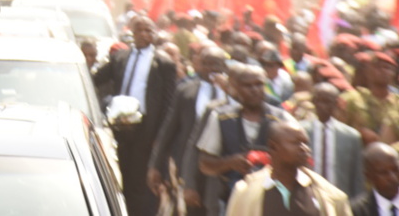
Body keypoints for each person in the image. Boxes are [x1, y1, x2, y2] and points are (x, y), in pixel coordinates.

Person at [93, 16, 177, 215]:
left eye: (149, 30)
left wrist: (160, 136)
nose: (145, 34)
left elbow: (169, 103)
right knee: (121, 173)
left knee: (140, 178)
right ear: (132, 32)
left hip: (146, 127)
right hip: (121, 125)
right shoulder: (120, 57)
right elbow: (96, 79)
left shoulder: (163, 62)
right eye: (140, 30)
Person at [147, 46, 228, 216]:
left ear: (224, 65)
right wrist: (155, 165)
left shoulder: (233, 92)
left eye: (216, 64)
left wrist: (228, 89)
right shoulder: (186, 91)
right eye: (206, 63)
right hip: (190, 165)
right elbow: (169, 130)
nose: (211, 68)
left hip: (222, 166)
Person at [197, 65, 293, 202]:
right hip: (232, 198)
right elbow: (205, 164)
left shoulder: (281, 119)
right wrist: (230, 163)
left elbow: (299, 160)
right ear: (235, 88)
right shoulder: (222, 118)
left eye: (259, 84)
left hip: (274, 199)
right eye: (247, 86)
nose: (254, 90)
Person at [225, 122, 350, 216]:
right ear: (273, 147)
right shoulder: (245, 193)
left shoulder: (327, 195)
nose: (305, 149)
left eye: (305, 143)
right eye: (296, 143)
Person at [299, 82, 365, 198]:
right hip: (308, 197)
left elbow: (357, 177)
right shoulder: (301, 132)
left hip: (339, 198)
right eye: (320, 101)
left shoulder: (350, 136)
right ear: (313, 102)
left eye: (328, 102)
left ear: (336, 104)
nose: (323, 106)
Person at [341, 51, 399, 145]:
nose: (383, 71)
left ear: (393, 73)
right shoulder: (352, 98)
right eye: (377, 67)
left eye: (387, 68)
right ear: (368, 72)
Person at [350, 142, 399, 216]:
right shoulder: (356, 211)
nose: (393, 178)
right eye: (384, 173)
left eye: (396, 170)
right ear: (369, 176)